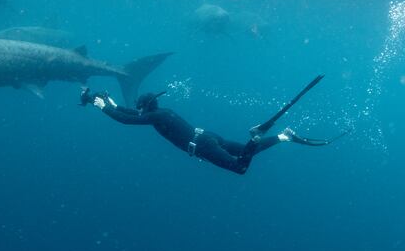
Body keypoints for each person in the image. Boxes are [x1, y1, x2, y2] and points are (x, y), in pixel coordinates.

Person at [80, 75, 339, 175]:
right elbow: (127, 112)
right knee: (245, 151)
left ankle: (257, 136)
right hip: (207, 137)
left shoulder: (154, 117)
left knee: (240, 167)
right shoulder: (161, 111)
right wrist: (108, 100)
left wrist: (101, 107)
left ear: (144, 108)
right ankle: (285, 137)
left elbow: (126, 119)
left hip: (202, 146)